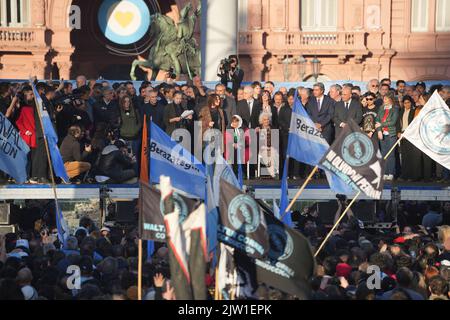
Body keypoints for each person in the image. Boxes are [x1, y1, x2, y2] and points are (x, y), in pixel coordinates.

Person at [375, 92, 399, 181]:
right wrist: (379, 131)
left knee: (391, 154)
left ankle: (391, 173)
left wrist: (381, 124)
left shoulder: (395, 109)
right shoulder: (381, 108)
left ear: (390, 99)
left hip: (391, 133)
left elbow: (392, 122)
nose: (383, 100)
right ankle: (385, 172)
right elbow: (377, 120)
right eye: (383, 99)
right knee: (384, 153)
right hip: (382, 133)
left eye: (385, 99)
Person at [397, 96, 418, 181]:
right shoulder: (401, 111)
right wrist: (398, 132)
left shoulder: (413, 111)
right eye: (405, 103)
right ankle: (404, 175)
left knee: (410, 156)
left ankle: (411, 176)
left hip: (410, 135)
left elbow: (414, 124)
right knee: (404, 156)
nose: (407, 104)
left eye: (408, 102)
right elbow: (398, 123)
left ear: (411, 103)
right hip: (402, 136)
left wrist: (408, 133)